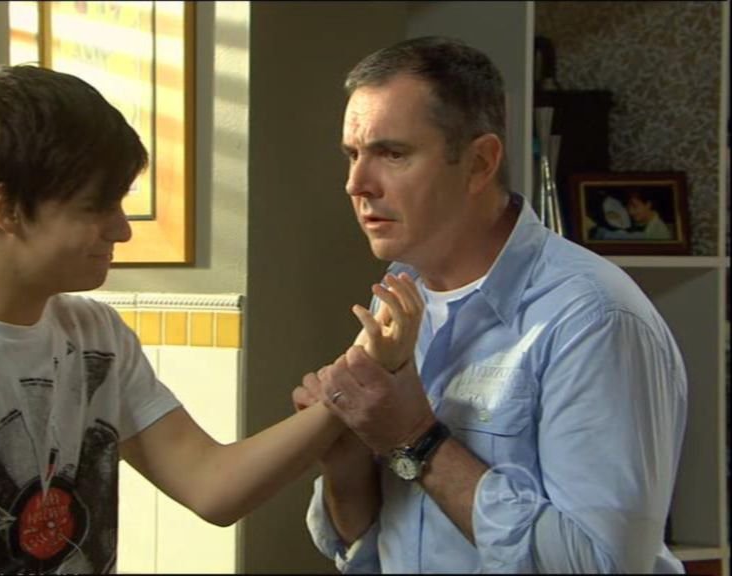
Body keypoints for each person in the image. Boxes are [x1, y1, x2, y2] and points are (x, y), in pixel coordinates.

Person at [0, 65, 347, 573]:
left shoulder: (97, 337)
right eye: (95, 207)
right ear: (7, 209)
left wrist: (351, 389)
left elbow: (211, 485)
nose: (121, 229)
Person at [294, 37, 687, 573]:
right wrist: (347, 467)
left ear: (479, 163)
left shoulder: (593, 318)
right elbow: (371, 551)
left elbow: (601, 565)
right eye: (353, 154)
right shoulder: (399, 291)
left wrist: (414, 438)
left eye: (392, 153)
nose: (356, 184)